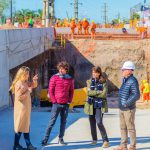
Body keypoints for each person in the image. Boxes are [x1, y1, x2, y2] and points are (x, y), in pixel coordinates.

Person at [41, 61, 74, 146]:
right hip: (56, 104)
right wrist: (54, 101)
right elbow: (50, 91)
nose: (60, 71)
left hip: (65, 104)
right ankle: (45, 139)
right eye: (60, 69)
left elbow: (71, 91)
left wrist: (69, 101)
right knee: (52, 122)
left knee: (63, 122)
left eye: (62, 69)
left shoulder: (69, 79)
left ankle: (61, 138)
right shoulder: (54, 78)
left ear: (66, 70)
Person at [10, 66, 38, 150]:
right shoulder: (19, 83)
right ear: (22, 74)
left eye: (28, 74)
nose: (28, 75)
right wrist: (27, 91)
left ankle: (20, 145)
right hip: (21, 109)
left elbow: (33, 86)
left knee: (25, 127)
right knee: (20, 127)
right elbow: (19, 97)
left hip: (26, 108)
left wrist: (34, 80)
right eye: (26, 74)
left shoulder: (25, 82)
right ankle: (20, 145)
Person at [114, 61, 140, 150]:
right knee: (122, 127)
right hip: (122, 108)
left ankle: (132, 146)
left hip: (128, 108)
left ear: (129, 70)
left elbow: (136, 95)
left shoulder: (133, 81)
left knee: (130, 127)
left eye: (124, 69)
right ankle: (123, 145)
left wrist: (126, 103)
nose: (122, 71)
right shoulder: (125, 80)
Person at [86, 66, 109, 148]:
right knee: (92, 122)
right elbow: (88, 93)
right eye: (92, 72)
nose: (93, 74)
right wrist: (98, 92)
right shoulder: (89, 81)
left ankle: (105, 140)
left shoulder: (104, 82)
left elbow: (104, 94)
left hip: (99, 104)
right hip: (91, 104)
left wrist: (93, 92)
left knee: (99, 122)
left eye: (95, 72)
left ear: (99, 73)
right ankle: (94, 139)